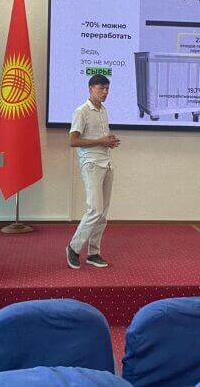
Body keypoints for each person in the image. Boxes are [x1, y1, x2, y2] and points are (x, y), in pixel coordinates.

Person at [66, 74, 120, 269]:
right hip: (91, 164)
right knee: (94, 210)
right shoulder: (81, 111)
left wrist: (108, 141)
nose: (105, 92)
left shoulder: (103, 110)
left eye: (107, 88)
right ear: (90, 88)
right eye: (101, 88)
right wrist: (100, 141)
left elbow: (100, 139)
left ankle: (93, 253)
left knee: (102, 213)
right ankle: (73, 247)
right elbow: (73, 141)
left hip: (106, 163)